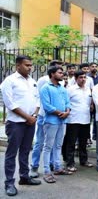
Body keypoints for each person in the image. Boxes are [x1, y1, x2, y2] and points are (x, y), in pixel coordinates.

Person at [1, 55, 41, 196]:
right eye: (27, 65)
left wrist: (34, 116)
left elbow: (37, 100)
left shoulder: (32, 81)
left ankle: (24, 177)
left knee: (25, 151)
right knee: (12, 153)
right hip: (16, 124)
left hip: (31, 122)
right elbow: (10, 104)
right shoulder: (9, 81)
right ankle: (9, 183)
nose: (30, 67)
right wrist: (27, 117)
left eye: (31, 65)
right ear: (18, 65)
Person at [30, 60, 64, 178]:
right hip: (43, 115)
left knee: (54, 143)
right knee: (40, 142)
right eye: (58, 68)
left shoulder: (61, 82)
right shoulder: (43, 81)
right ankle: (34, 166)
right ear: (52, 70)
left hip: (58, 118)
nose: (61, 71)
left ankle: (52, 165)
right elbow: (39, 98)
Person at [40, 66, 72, 184]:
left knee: (58, 145)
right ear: (52, 74)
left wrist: (67, 112)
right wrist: (60, 113)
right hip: (51, 121)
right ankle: (47, 171)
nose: (62, 74)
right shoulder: (46, 88)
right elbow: (47, 106)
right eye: (59, 72)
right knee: (48, 146)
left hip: (62, 121)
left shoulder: (62, 88)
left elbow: (68, 102)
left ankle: (58, 167)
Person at [65, 71, 94, 172]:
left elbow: (90, 103)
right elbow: (66, 103)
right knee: (71, 143)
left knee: (83, 142)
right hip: (73, 119)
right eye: (81, 77)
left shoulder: (88, 90)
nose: (83, 79)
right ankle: (69, 163)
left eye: (84, 77)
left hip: (85, 119)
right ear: (76, 78)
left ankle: (84, 160)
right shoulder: (70, 90)